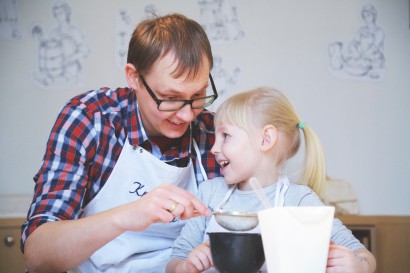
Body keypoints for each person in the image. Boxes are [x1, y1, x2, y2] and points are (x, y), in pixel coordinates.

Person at [21, 13, 221, 273]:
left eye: (198, 95)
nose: (187, 115)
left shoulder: (213, 132)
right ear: (134, 77)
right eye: (170, 98)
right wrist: (129, 215)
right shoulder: (90, 120)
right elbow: (38, 255)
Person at [166, 87, 377, 273]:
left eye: (226, 136)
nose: (214, 148)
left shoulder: (299, 200)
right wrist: (185, 266)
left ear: (265, 139)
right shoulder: (209, 194)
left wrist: (360, 265)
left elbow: (362, 253)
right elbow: (176, 258)